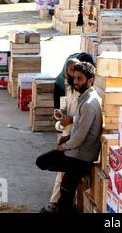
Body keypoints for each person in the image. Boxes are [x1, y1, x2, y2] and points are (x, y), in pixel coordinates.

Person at [36, 62, 102, 213]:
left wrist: (64, 147)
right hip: (75, 150)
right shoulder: (83, 98)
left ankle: (64, 204)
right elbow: (78, 130)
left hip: (81, 156)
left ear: (90, 81)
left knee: (65, 191)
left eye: (80, 79)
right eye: (75, 78)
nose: (76, 82)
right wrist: (66, 139)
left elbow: (79, 137)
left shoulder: (89, 104)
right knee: (42, 162)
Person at [40, 60, 81, 213]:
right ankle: (58, 202)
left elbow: (88, 117)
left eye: (75, 71)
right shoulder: (68, 87)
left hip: (76, 136)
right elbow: (67, 106)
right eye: (70, 70)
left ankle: (55, 202)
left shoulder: (84, 92)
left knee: (63, 171)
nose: (72, 74)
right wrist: (60, 113)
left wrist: (71, 119)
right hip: (66, 132)